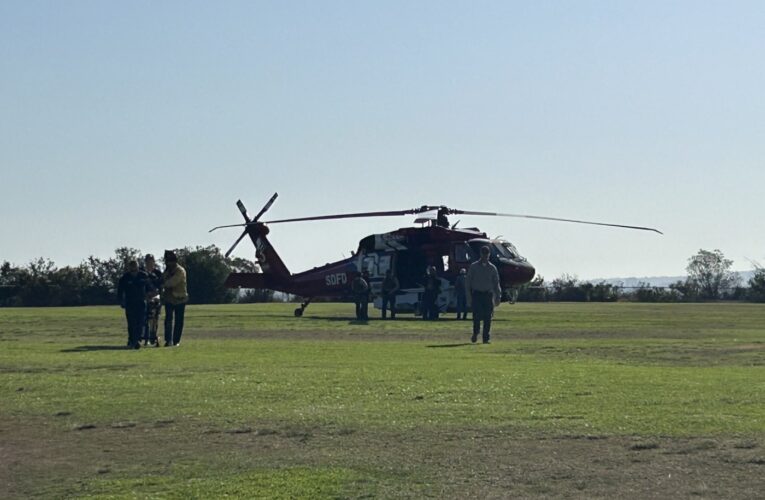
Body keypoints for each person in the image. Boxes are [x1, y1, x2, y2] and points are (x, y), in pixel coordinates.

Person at [466, 246, 501, 344]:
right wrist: (469, 297)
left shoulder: (492, 268)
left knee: (488, 317)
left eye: (487, 254)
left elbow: (496, 283)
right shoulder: (474, 267)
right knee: (476, 316)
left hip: (487, 295)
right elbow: (468, 283)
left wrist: (498, 296)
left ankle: (486, 337)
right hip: (477, 294)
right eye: (483, 254)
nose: (485, 256)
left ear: (489, 255)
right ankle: (475, 333)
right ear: (480, 254)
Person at [117, 260, 152, 349]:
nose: (133, 268)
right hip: (130, 303)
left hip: (141, 303)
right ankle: (132, 340)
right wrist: (121, 301)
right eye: (131, 267)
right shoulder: (125, 278)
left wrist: (150, 297)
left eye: (135, 266)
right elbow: (120, 291)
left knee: (140, 323)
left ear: (137, 266)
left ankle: (137, 340)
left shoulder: (143, 276)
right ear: (129, 268)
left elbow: (149, 288)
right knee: (131, 323)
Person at [162, 250, 188, 347]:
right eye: (168, 261)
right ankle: (168, 340)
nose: (169, 263)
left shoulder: (180, 271)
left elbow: (173, 282)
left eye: (171, 261)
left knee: (179, 321)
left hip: (180, 299)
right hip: (169, 299)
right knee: (168, 320)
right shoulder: (167, 271)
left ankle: (176, 340)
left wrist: (163, 284)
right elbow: (163, 278)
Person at [142, 254, 163, 347]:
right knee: (144, 319)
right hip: (144, 298)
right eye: (147, 261)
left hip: (155, 298)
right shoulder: (142, 273)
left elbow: (161, 286)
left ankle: (153, 336)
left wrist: (155, 294)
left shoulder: (158, 273)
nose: (149, 263)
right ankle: (144, 337)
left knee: (155, 319)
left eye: (151, 261)